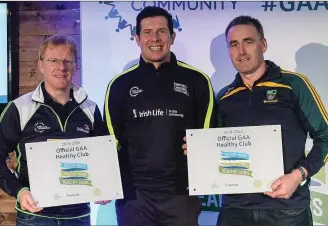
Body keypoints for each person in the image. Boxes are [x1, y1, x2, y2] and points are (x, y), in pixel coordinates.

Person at [103, 6, 216, 226]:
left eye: (162, 31)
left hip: (181, 195)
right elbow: (109, 142)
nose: (155, 38)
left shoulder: (197, 81)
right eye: (147, 32)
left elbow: (210, 137)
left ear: (172, 36)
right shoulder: (119, 85)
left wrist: (203, 148)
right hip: (134, 198)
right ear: (137, 38)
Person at [214, 15, 327, 226]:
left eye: (248, 42)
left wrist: (297, 176)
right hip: (235, 211)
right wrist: (198, 151)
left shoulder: (294, 85)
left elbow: (325, 136)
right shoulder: (224, 96)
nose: (241, 51)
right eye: (234, 44)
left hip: (287, 211)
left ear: (263, 44)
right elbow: (216, 148)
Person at [0, 35, 105, 226]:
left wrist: (105, 186)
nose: (61, 67)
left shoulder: (90, 109)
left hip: (78, 217)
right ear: (41, 65)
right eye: (53, 61)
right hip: (35, 217)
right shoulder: (20, 108)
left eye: (67, 61)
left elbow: (103, 156)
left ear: (76, 66)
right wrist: (19, 191)